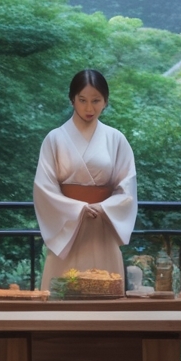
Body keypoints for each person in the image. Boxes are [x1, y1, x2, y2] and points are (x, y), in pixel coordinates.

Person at [32, 69, 138, 286]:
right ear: (72, 99)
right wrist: (77, 208)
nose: (89, 108)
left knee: (105, 294)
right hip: (67, 229)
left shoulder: (116, 139)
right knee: (63, 295)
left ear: (106, 102)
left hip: (102, 226)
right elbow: (44, 188)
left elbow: (127, 188)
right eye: (82, 100)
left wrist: (104, 207)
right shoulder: (54, 139)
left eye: (96, 101)